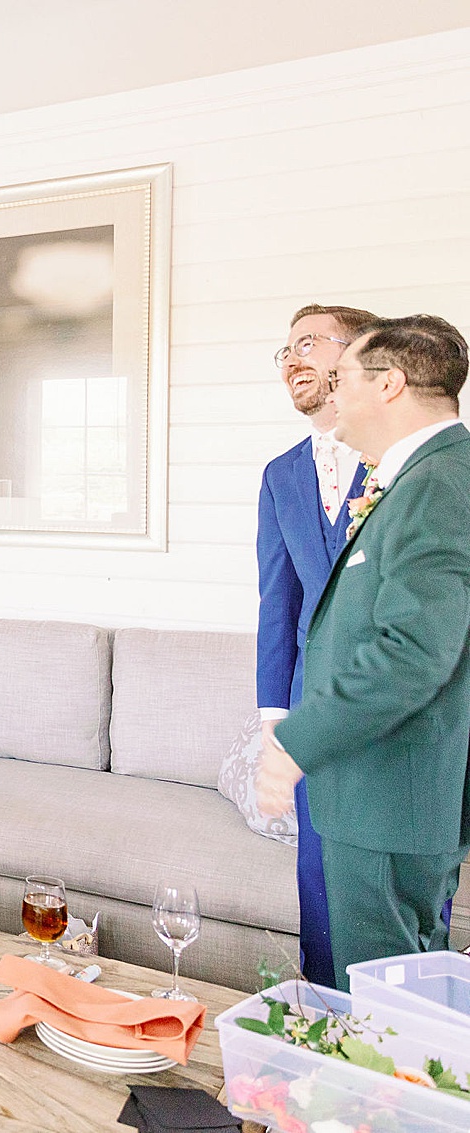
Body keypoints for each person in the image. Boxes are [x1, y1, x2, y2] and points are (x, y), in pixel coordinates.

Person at [258, 314, 470, 991]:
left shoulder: (437, 484)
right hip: (379, 779)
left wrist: (296, 741)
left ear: (391, 384)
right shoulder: (426, 474)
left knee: (378, 1002)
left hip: (390, 783)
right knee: (398, 991)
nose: (332, 396)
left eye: (344, 377)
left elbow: (412, 650)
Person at [256, 302, 378, 987]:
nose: (292, 359)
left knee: (392, 886)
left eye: (309, 342)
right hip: (309, 709)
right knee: (320, 881)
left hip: (394, 711)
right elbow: (280, 603)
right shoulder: (280, 474)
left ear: (359, 354)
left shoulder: (405, 462)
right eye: (285, 349)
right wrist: (275, 720)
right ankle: (327, 1035)